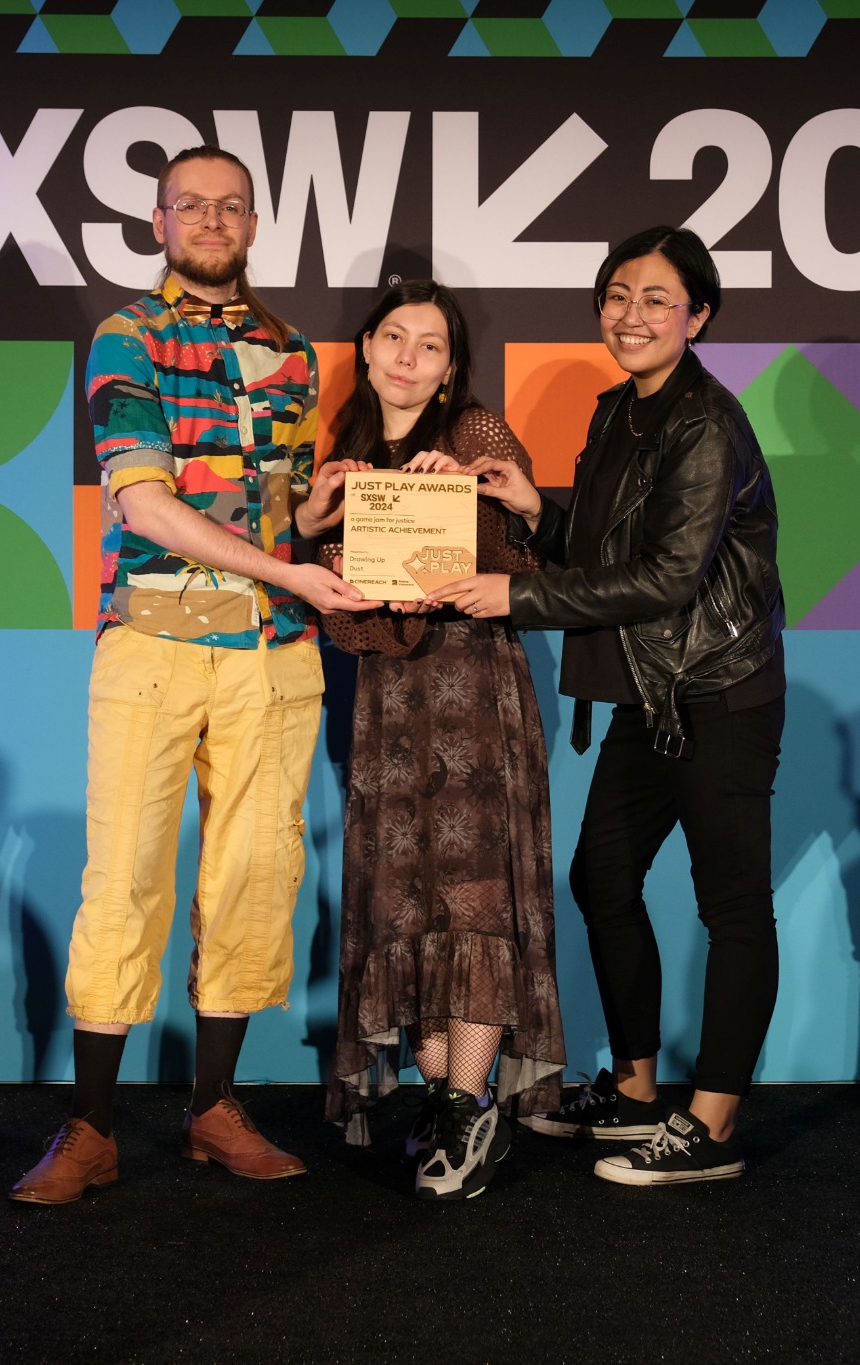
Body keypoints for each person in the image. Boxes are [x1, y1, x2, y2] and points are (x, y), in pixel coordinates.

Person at [10, 146, 378, 1205]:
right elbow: (146, 505)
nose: (211, 222)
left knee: (255, 876)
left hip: (273, 650)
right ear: (159, 223)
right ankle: (90, 1128)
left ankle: (214, 1109)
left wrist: (324, 510)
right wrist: (288, 569)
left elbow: (281, 505)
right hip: (155, 640)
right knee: (124, 876)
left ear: (253, 223)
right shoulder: (127, 336)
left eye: (230, 207)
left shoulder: (292, 352)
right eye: (191, 206)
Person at [439, 226, 786, 1187]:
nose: (632, 315)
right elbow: (601, 551)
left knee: (733, 905)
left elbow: (669, 577)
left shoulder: (706, 424)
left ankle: (711, 1125)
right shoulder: (618, 411)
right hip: (651, 688)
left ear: (697, 316)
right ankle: (635, 1092)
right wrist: (531, 509)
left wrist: (516, 595)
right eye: (618, 295)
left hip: (720, 689)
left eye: (657, 299)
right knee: (603, 877)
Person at [309, 280, 565, 1201]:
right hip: (391, 708)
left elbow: (528, 567)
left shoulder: (477, 433)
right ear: (367, 347)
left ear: (452, 365)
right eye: (394, 337)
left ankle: (465, 1103)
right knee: (408, 907)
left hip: (476, 697)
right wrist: (336, 559)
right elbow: (349, 626)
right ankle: (456, 1100)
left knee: (474, 902)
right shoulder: (343, 457)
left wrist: (464, 505)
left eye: (430, 344)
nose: (409, 357)